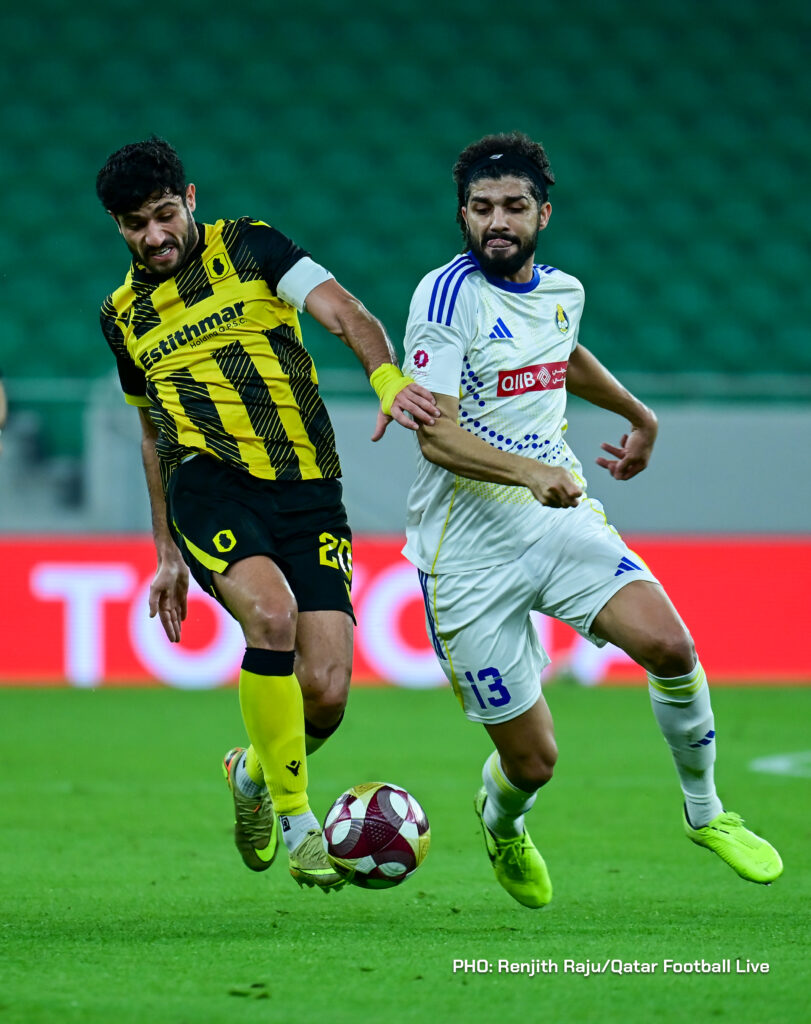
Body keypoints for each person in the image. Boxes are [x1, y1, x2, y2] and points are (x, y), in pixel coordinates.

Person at [402, 131, 782, 909]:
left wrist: (638, 415)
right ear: (461, 214)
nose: (496, 221)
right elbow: (435, 435)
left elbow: (562, 351)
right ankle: (503, 823)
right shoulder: (444, 298)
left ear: (543, 213)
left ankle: (705, 811)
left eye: (513, 206)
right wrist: (528, 471)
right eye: (480, 208)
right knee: (532, 763)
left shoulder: (562, 291)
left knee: (669, 646)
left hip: (557, 523)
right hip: (465, 555)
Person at [96, 137, 438, 893]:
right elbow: (152, 433)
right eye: (134, 224)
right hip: (210, 483)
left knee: (326, 691)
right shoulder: (122, 316)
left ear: (189, 199)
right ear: (117, 227)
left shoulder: (252, 246)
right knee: (272, 617)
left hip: (307, 487)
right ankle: (298, 824)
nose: (153, 236)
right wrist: (166, 552)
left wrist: (385, 379)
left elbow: (344, 311)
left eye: (163, 214)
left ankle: (251, 773)